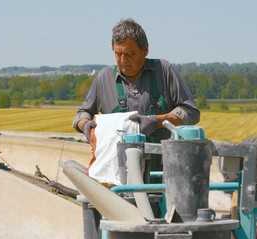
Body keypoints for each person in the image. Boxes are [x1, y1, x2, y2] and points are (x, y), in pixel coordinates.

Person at [73, 18, 200, 171]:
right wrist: (86, 125)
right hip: (117, 172)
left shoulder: (164, 71)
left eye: (129, 54)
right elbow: (82, 113)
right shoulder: (104, 78)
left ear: (145, 50)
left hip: (162, 172)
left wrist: (158, 121)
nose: (123, 60)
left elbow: (191, 112)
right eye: (118, 54)